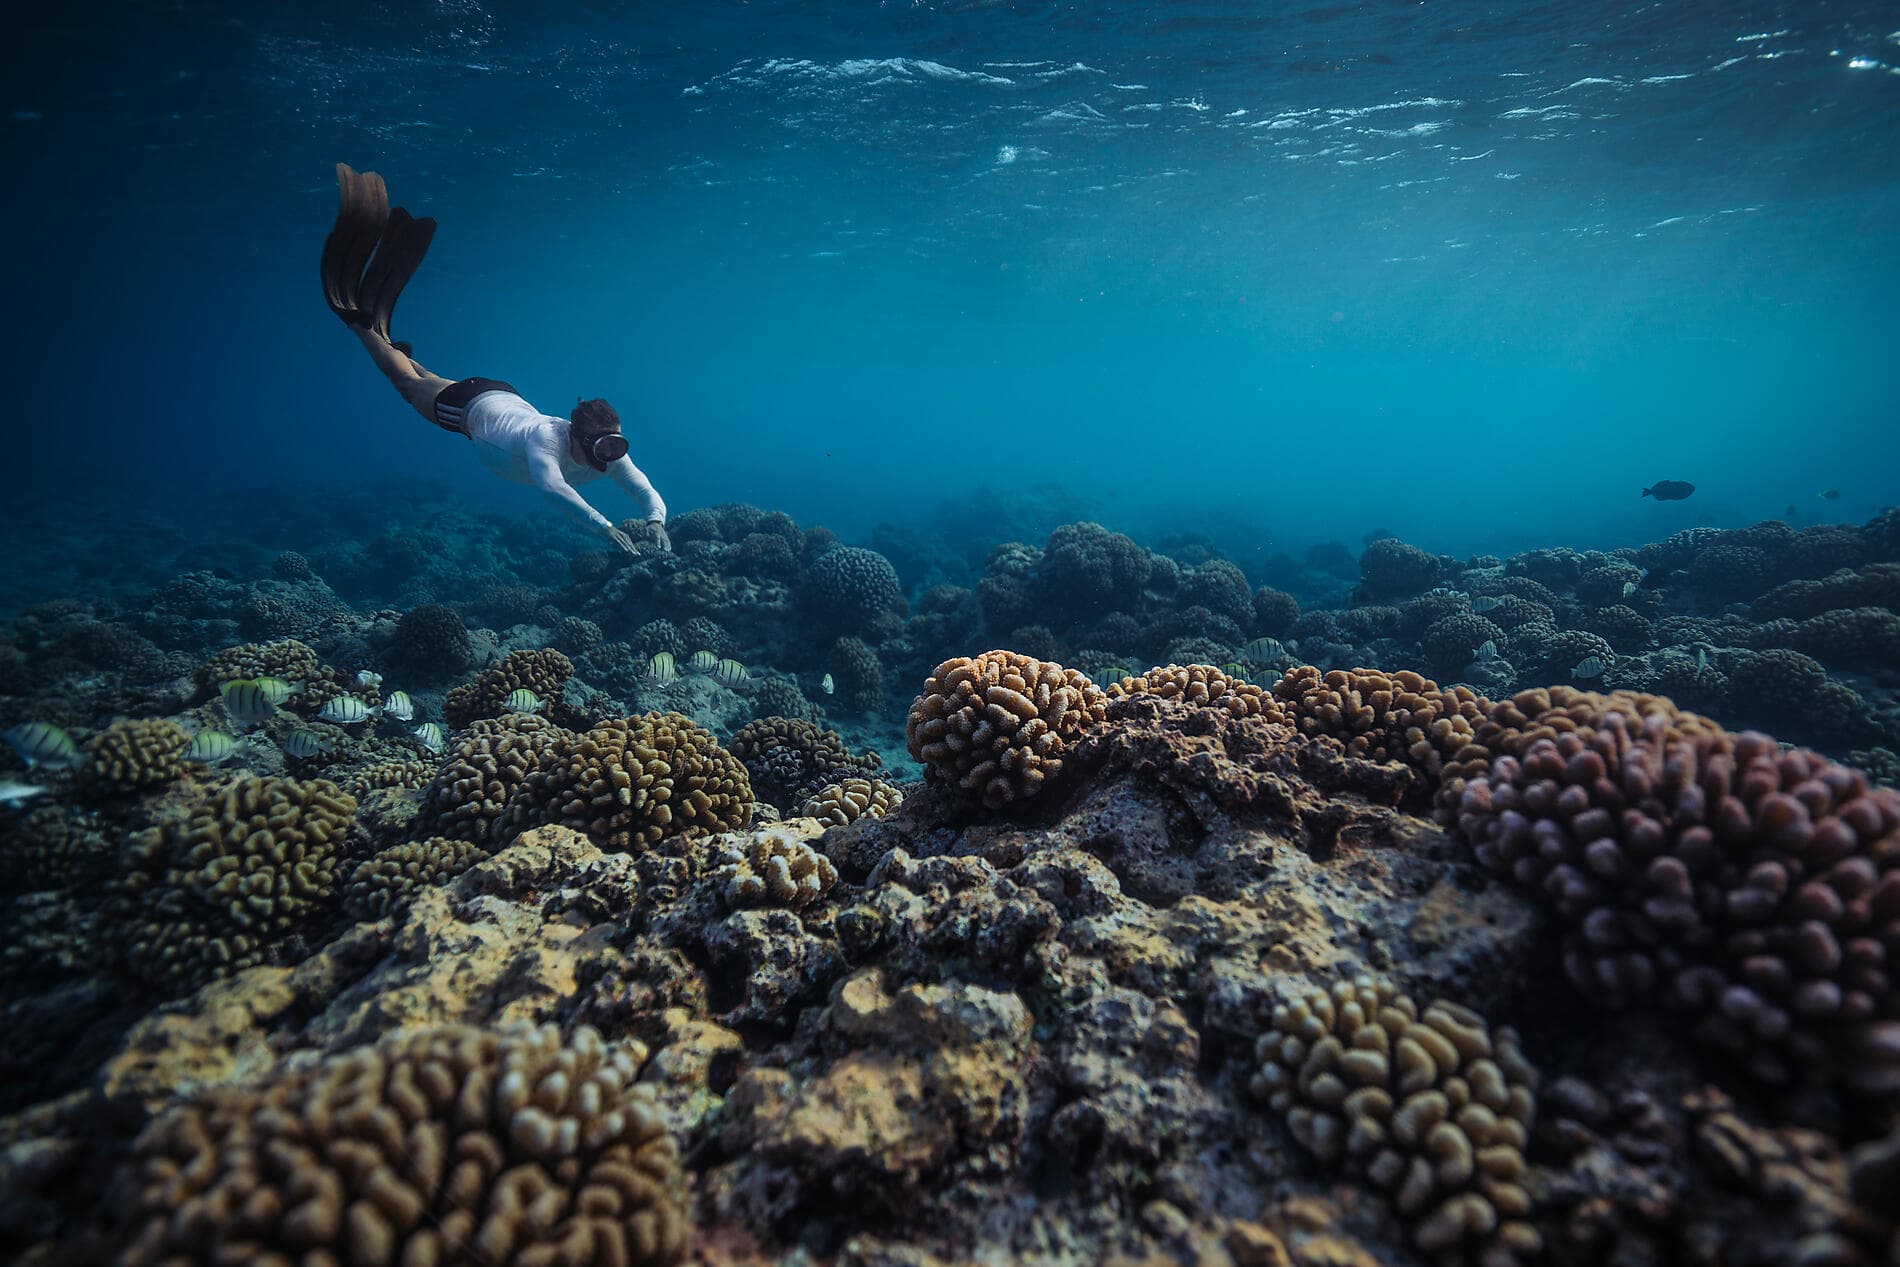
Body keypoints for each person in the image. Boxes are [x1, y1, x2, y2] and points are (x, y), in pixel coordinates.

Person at [319, 163, 670, 554]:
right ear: (577, 436)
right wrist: (603, 527)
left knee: (424, 381)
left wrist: (656, 520)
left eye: (616, 446)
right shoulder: (545, 440)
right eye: (604, 447)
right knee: (407, 386)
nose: (611, 456)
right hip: (470, 411)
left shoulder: (609, 451)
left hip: (496, 393)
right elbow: (553, 490)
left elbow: (643, 487)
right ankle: (359, 326)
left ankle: (394, 349)